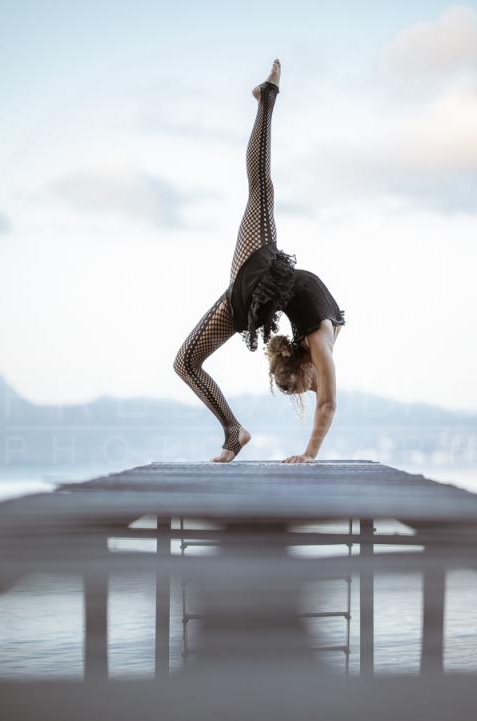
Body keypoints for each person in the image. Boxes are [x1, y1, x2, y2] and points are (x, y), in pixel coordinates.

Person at [174, 59, 345, 463]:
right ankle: (267, 99)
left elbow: (326, 400)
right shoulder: (320, 343)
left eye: (304, 388)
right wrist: (309, 454)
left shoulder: (318, 346)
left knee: (262, 190)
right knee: (261, 188)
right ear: (305, 367)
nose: (312, 389)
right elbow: (329, 404)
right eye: (306, 387)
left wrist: (308, 451)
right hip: (259, 285)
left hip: (256, 289)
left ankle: (234, 432)